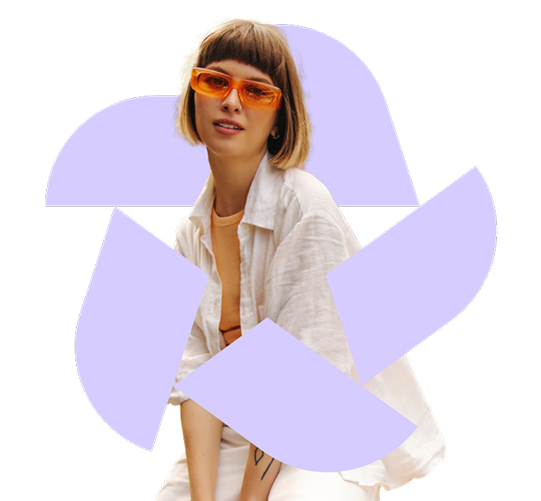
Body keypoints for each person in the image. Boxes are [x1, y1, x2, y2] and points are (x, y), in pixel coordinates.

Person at [154, 15, 445, 501]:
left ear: (279, 119)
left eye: (257, 92)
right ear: (193, 97)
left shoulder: (305, 206)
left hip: (323, 427)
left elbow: (299, 382)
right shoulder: (189, 234)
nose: (232, 101)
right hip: (239, 433)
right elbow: (195, 381)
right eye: (215, 81)